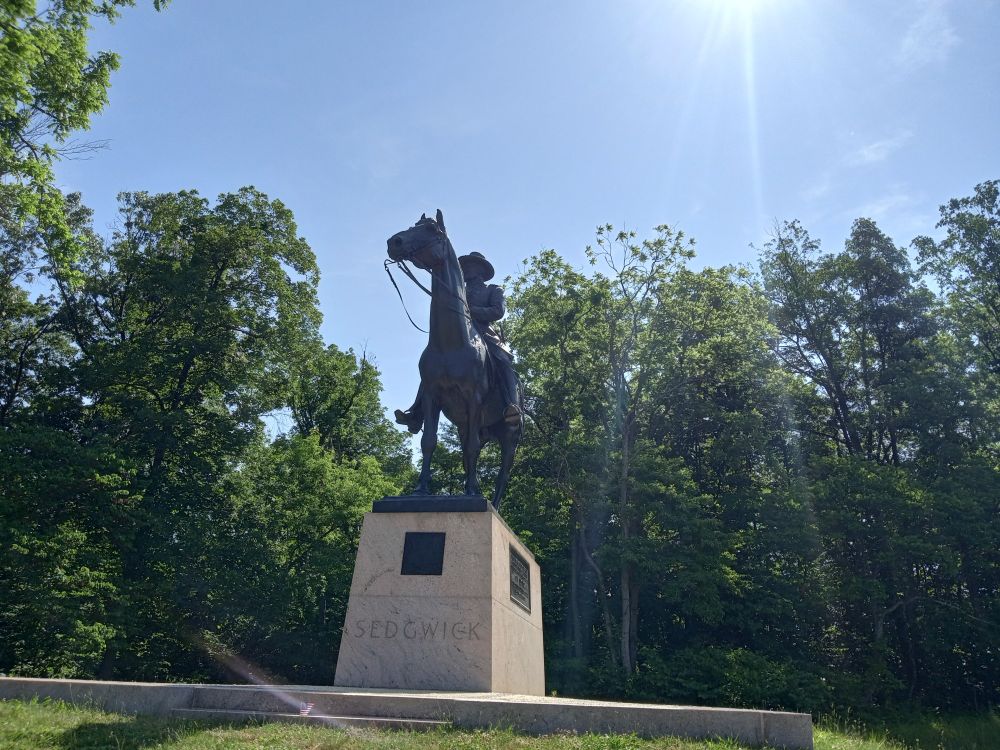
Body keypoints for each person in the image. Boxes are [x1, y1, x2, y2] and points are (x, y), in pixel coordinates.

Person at [394, 251, 521, 433]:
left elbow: (497, 311)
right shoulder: (457, 289)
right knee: (433, 366)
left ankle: (512, 406)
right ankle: (416, 412)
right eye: (465, 266)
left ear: (480, 270)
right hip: (459, 335)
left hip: (485, 334)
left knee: (504, 361)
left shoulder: (493, 289)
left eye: (470, 266)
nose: (466, 269)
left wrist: (471, 310)